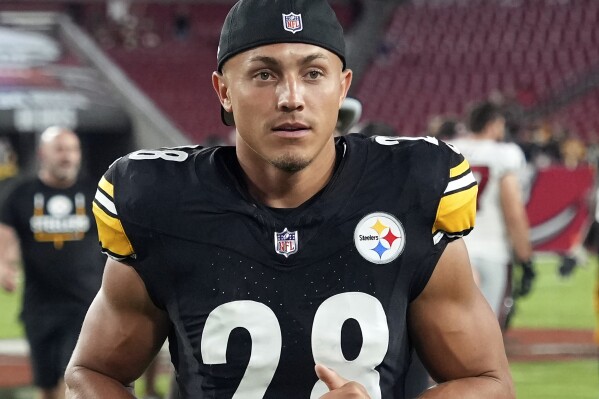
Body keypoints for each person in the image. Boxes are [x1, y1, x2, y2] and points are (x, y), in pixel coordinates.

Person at [65, 1, 514, 398]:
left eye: (313, 73)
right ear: (223, 90)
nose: (291, 98)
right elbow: (91, 373)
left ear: (342, 87)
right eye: (264, 74)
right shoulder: (161, 201)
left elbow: (489, 383)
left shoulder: (411, 188)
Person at [0, 126, 106, 399]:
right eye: (60, 149)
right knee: (47, 386)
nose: (67, 156)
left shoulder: (95, 192)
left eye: (72, 150)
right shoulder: (21, 194)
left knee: (72, 377)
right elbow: (7, 236)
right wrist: (5, 266)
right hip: (39, 307)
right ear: (42, 154)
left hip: (85, 305)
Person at [450, 101, 534, 326]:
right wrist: (525, 258)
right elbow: (513, 211)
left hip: (449, 251)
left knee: (451, 330)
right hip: (492, 253)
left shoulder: (447, 148)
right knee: (486, 331)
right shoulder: (505, 154)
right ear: (493, 124)